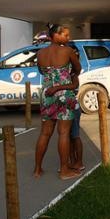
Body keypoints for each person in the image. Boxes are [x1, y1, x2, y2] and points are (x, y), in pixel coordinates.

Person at [33, 24, 83, 180]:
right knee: (63, 133)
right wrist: (67, 74)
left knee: (44, 133)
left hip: (46, 94)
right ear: (55, 35)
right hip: (64, 95)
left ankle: (37, 169)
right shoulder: (67, 51)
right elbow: (78, 68)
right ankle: (64, 170)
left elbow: (42, 71)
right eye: (65, 35)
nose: (68, 38)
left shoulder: (40, 53)